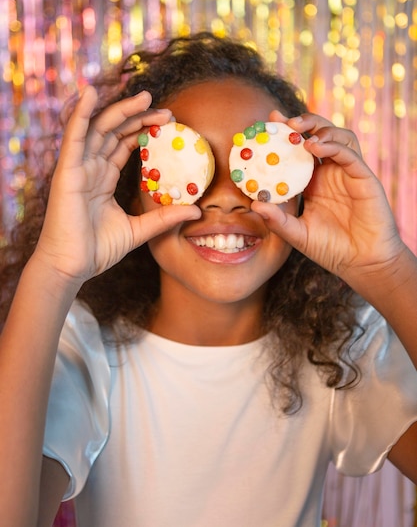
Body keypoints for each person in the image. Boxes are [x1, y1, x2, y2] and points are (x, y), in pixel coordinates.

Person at [0, 32, 416, 527]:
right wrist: (53, 271)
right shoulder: (85, 349)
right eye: (183, 165)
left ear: (305, 188)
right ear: (134, 193)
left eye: (262, 166)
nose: (226, 199)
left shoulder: (338, 346)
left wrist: (388, 270)